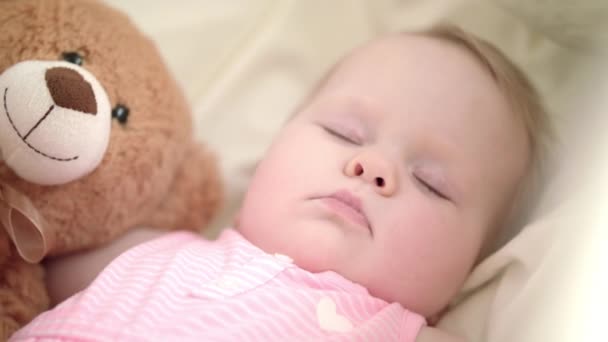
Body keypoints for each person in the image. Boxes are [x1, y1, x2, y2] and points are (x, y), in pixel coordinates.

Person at [12, 24, 551, 341]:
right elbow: (27, 254)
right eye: (345, 132)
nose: (373, 167)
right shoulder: (149, 252)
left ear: (470, 268)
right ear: (272, 150)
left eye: (431, 183)